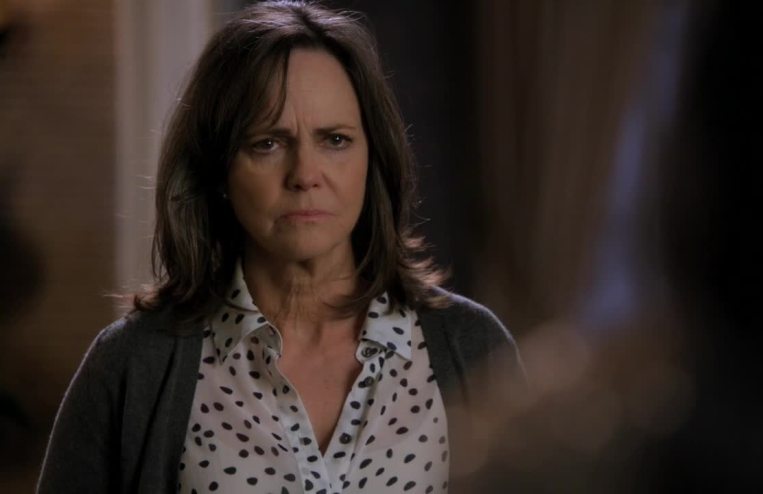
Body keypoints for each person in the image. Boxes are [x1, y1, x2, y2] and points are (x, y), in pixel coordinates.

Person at [37, 2, 525, 493]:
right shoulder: (133, 365)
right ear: (217, 169)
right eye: (268, 143)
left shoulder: (472, 348)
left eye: (335, 140)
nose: (305, 175)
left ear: (372, 157)